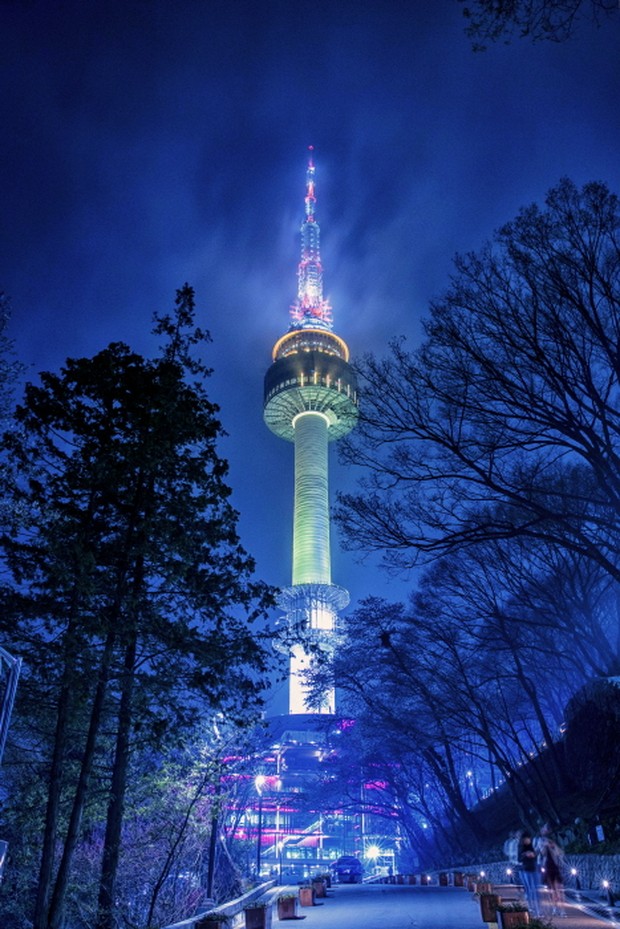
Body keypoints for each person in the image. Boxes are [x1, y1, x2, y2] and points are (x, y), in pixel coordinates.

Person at [539, 826, 567, 917]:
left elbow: (560, 852)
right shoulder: (541, 841)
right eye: (544, 829)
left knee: (559, 889)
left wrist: (553, 846)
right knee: (551, 890)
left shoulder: (555, 840)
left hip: (556, 866)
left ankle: (562, 910)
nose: (545, 831)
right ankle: (555, 908)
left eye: (546, 829)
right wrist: (545, 846)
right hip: (547, 867)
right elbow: (542, 853)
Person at [518, 831, 541, 917]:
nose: (528, 840)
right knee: (530, 890)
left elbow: (536, 855)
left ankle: (538, 910)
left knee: (536, 890)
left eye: (529, 838)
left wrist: (534, 854)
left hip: (534, 869)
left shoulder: (531, 847)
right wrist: (525, 854)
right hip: (526, 870)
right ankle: (531, 908)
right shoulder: (521, 847)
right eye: (527, 838)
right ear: (523, 839)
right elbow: (519, 859)